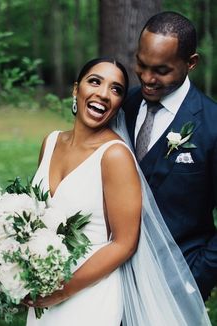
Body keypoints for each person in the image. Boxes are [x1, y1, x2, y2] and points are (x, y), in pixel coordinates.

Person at [25, 58, 211, 325]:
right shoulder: (51, 141)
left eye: (116, 89)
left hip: (90, 296)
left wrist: (62, 291)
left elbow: (125, 243)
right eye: (95, 81)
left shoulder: (115, 155)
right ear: (76, 89)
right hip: (44, 287)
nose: (103, 93)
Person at [121, 11, 217, 302]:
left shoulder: (212, 125)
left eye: (161, 70)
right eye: (141, 64)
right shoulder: (125, 104)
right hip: (117, 277)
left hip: (178, 280)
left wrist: (197, 277)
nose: (148, 78)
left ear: (191, 63)